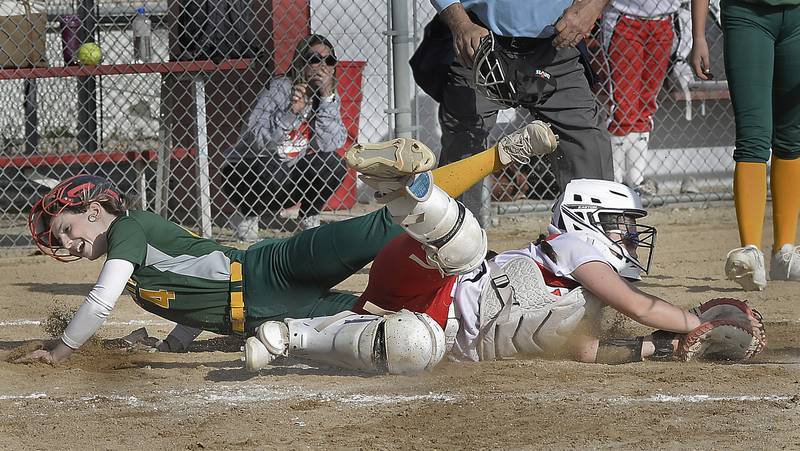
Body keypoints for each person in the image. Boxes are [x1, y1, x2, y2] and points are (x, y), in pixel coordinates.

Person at [14, 120, 559, 369]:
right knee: (384, 329)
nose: (67, 243)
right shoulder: (136, 272)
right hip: (262, 309)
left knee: (392, 219)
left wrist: (63, 349)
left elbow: (98, 303)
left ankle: (500, 154)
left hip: (268, 268)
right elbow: (195, 291)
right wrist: (178, 342)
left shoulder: (127, 231)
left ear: (94, 208)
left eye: (67, 228)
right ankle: (497, 321)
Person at [244, 177, 765, 373]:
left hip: (433, 330)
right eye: (621, 226)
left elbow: (581, 351)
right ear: (589, 221)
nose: (629, 238)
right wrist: (688, 320)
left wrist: (660, 349)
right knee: (469, 246)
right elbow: (641, 307)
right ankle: (406, 195)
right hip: (433, 276)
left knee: (413, 346)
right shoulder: (573, 247)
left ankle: (289, 336)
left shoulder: (587, 303)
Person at [410, 0, 614, 225]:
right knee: (464, 145)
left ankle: (595, 239)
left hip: (557, 44)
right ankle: (459, 244)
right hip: (479, 42)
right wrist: (461, 25)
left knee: (586, 138)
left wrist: (593, 6)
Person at [690, 0, 800, 290]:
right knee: (753, 135)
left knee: (792, 136)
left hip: (798, 17)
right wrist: (699, 35)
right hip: (746, 14)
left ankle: (784, 252)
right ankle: (751, 251)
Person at [222, 34, 348, 239]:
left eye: (330, 60)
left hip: (287, 175)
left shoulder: (327, 97)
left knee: (334, 164)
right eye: (315, 59)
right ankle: (246, 215)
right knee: (272, 170)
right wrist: (291, 114)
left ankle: (310, 217)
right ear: (301, 62)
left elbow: (330, 144)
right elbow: (257, 140)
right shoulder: (280, 88)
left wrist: (327, 99)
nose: (323, 66)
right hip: (248, 170)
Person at [602, 0, 681, 195]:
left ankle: (636, 182)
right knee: (623, 107)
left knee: (646, 106)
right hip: (625, 18)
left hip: (665, 19)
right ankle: (615, 184)